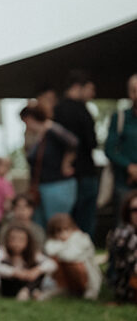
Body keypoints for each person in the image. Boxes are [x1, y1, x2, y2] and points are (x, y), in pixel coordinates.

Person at [54, 71, 99, 239]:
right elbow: (89, 142)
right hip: (82, 174)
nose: (92, 94)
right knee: (84, 222)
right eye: (90, 89)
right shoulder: (80, 111)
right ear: (77, 87)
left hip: (65, 176)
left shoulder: (57, 109)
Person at [20, 103, 79, 227]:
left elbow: (73, 143)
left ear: (30, 118)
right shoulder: (37, 135)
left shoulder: (52, 129)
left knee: (56, 224)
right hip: (42, 186)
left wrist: (66, 164)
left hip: (57, 184)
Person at [0, 222, 56, 300]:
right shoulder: (3, 251)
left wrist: (36, 271)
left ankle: (27, 291)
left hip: (28, 281)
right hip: (10, 284)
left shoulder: (33, 253)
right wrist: (15, 272)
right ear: (7, 240)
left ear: (27, 241)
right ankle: (32, 292)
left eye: (21, 239)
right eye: (13, 239)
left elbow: (52, 264)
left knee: (41, 270)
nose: (17, 243)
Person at [44, 213, 101, 300]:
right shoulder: (52, 243)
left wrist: (62, 248)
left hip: (86, 277)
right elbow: (50, 250)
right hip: (63, 279)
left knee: (72, 263)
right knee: (54, 261)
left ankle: (83, 291)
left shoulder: (81, 238)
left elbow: (70, 256)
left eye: (66, 229)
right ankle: (64, 289)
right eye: (59, 231)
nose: (63, 233)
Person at [105, 73, 137, 217]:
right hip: (125, 183)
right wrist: (130, 167)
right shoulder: (120, 118)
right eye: (134, 90)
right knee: (124, 222)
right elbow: (110, 149)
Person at [106, 190, 137, 304]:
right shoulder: (122, 235)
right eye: (135, 210)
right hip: (129, 286)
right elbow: (130, 265)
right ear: (128, 213)